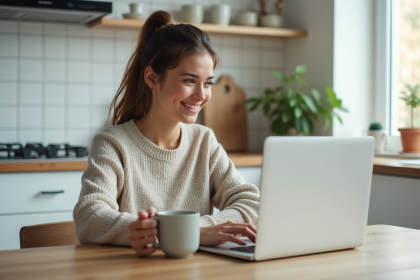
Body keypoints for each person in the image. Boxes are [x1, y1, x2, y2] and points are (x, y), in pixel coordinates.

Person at [73, 10, 260, 257]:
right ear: (152, 78)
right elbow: (89, 215)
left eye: (207, 83)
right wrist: (182, 233)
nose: (202, 95)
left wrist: (193, 230)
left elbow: (250, 202)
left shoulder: (204, 141)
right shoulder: (112, 144)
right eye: (189, 81)